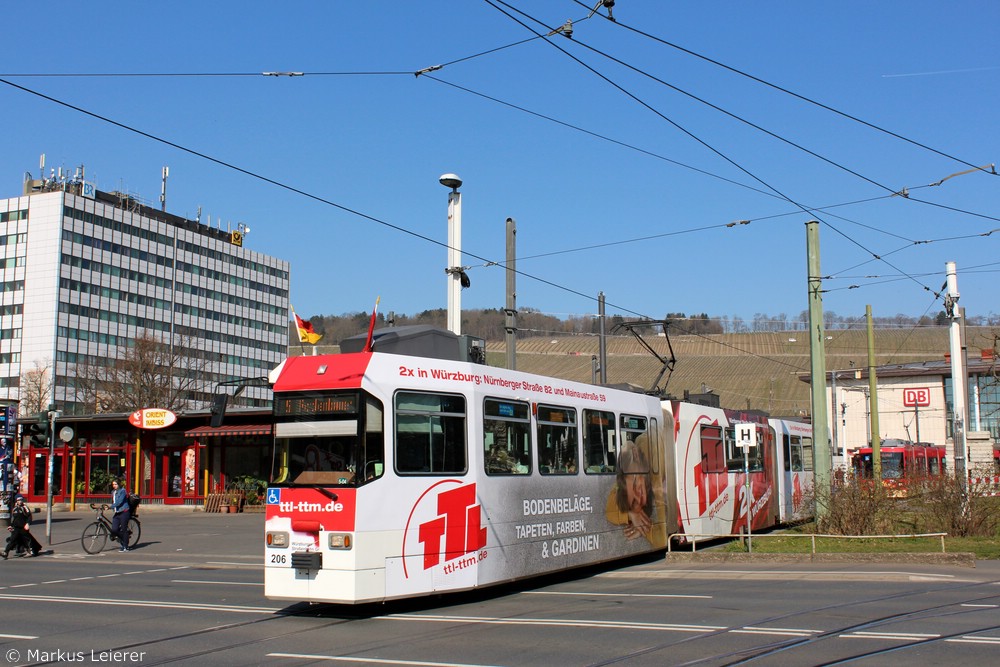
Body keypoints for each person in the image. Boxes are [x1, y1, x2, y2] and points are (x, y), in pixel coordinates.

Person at [110, 479, 131, 552]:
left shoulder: (123, 491)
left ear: (119, 484)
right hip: (117, 512)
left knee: (124, 529)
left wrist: (110, 506)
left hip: (124, 512)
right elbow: (113, 501)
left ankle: (125, 546)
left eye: (115, 484)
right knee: (114, 530)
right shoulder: (113, 492)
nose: (114, 486)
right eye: (113, 484)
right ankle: (123, 538)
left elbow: (119, 502)